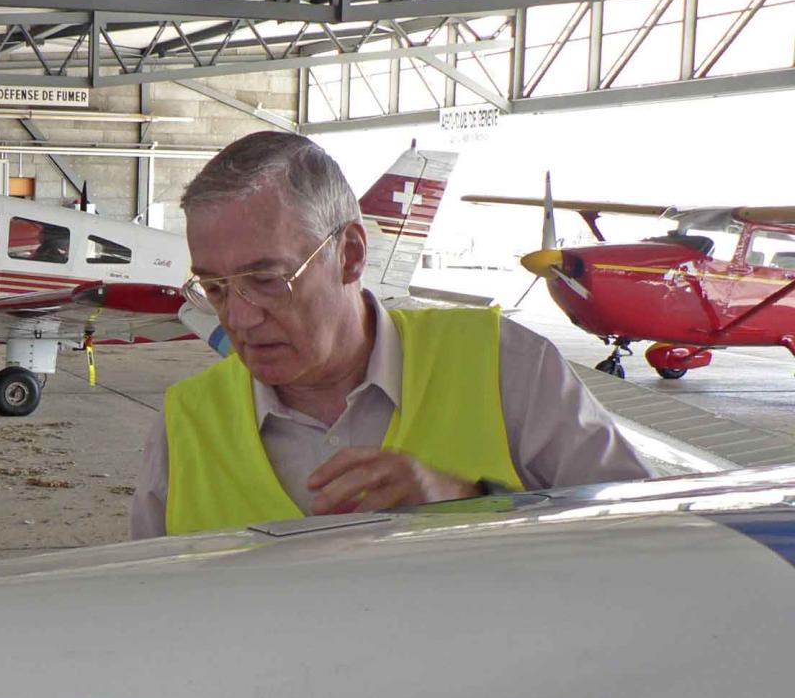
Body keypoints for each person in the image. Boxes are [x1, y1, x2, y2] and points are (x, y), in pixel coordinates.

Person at [131, 132, 652, 539]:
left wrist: (470, 503)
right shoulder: (185, 426)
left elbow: (645, 533)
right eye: (215, 288)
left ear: (351, 255)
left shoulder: (503, 365)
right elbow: (149, 610)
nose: (239, 320)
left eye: (268, 281)